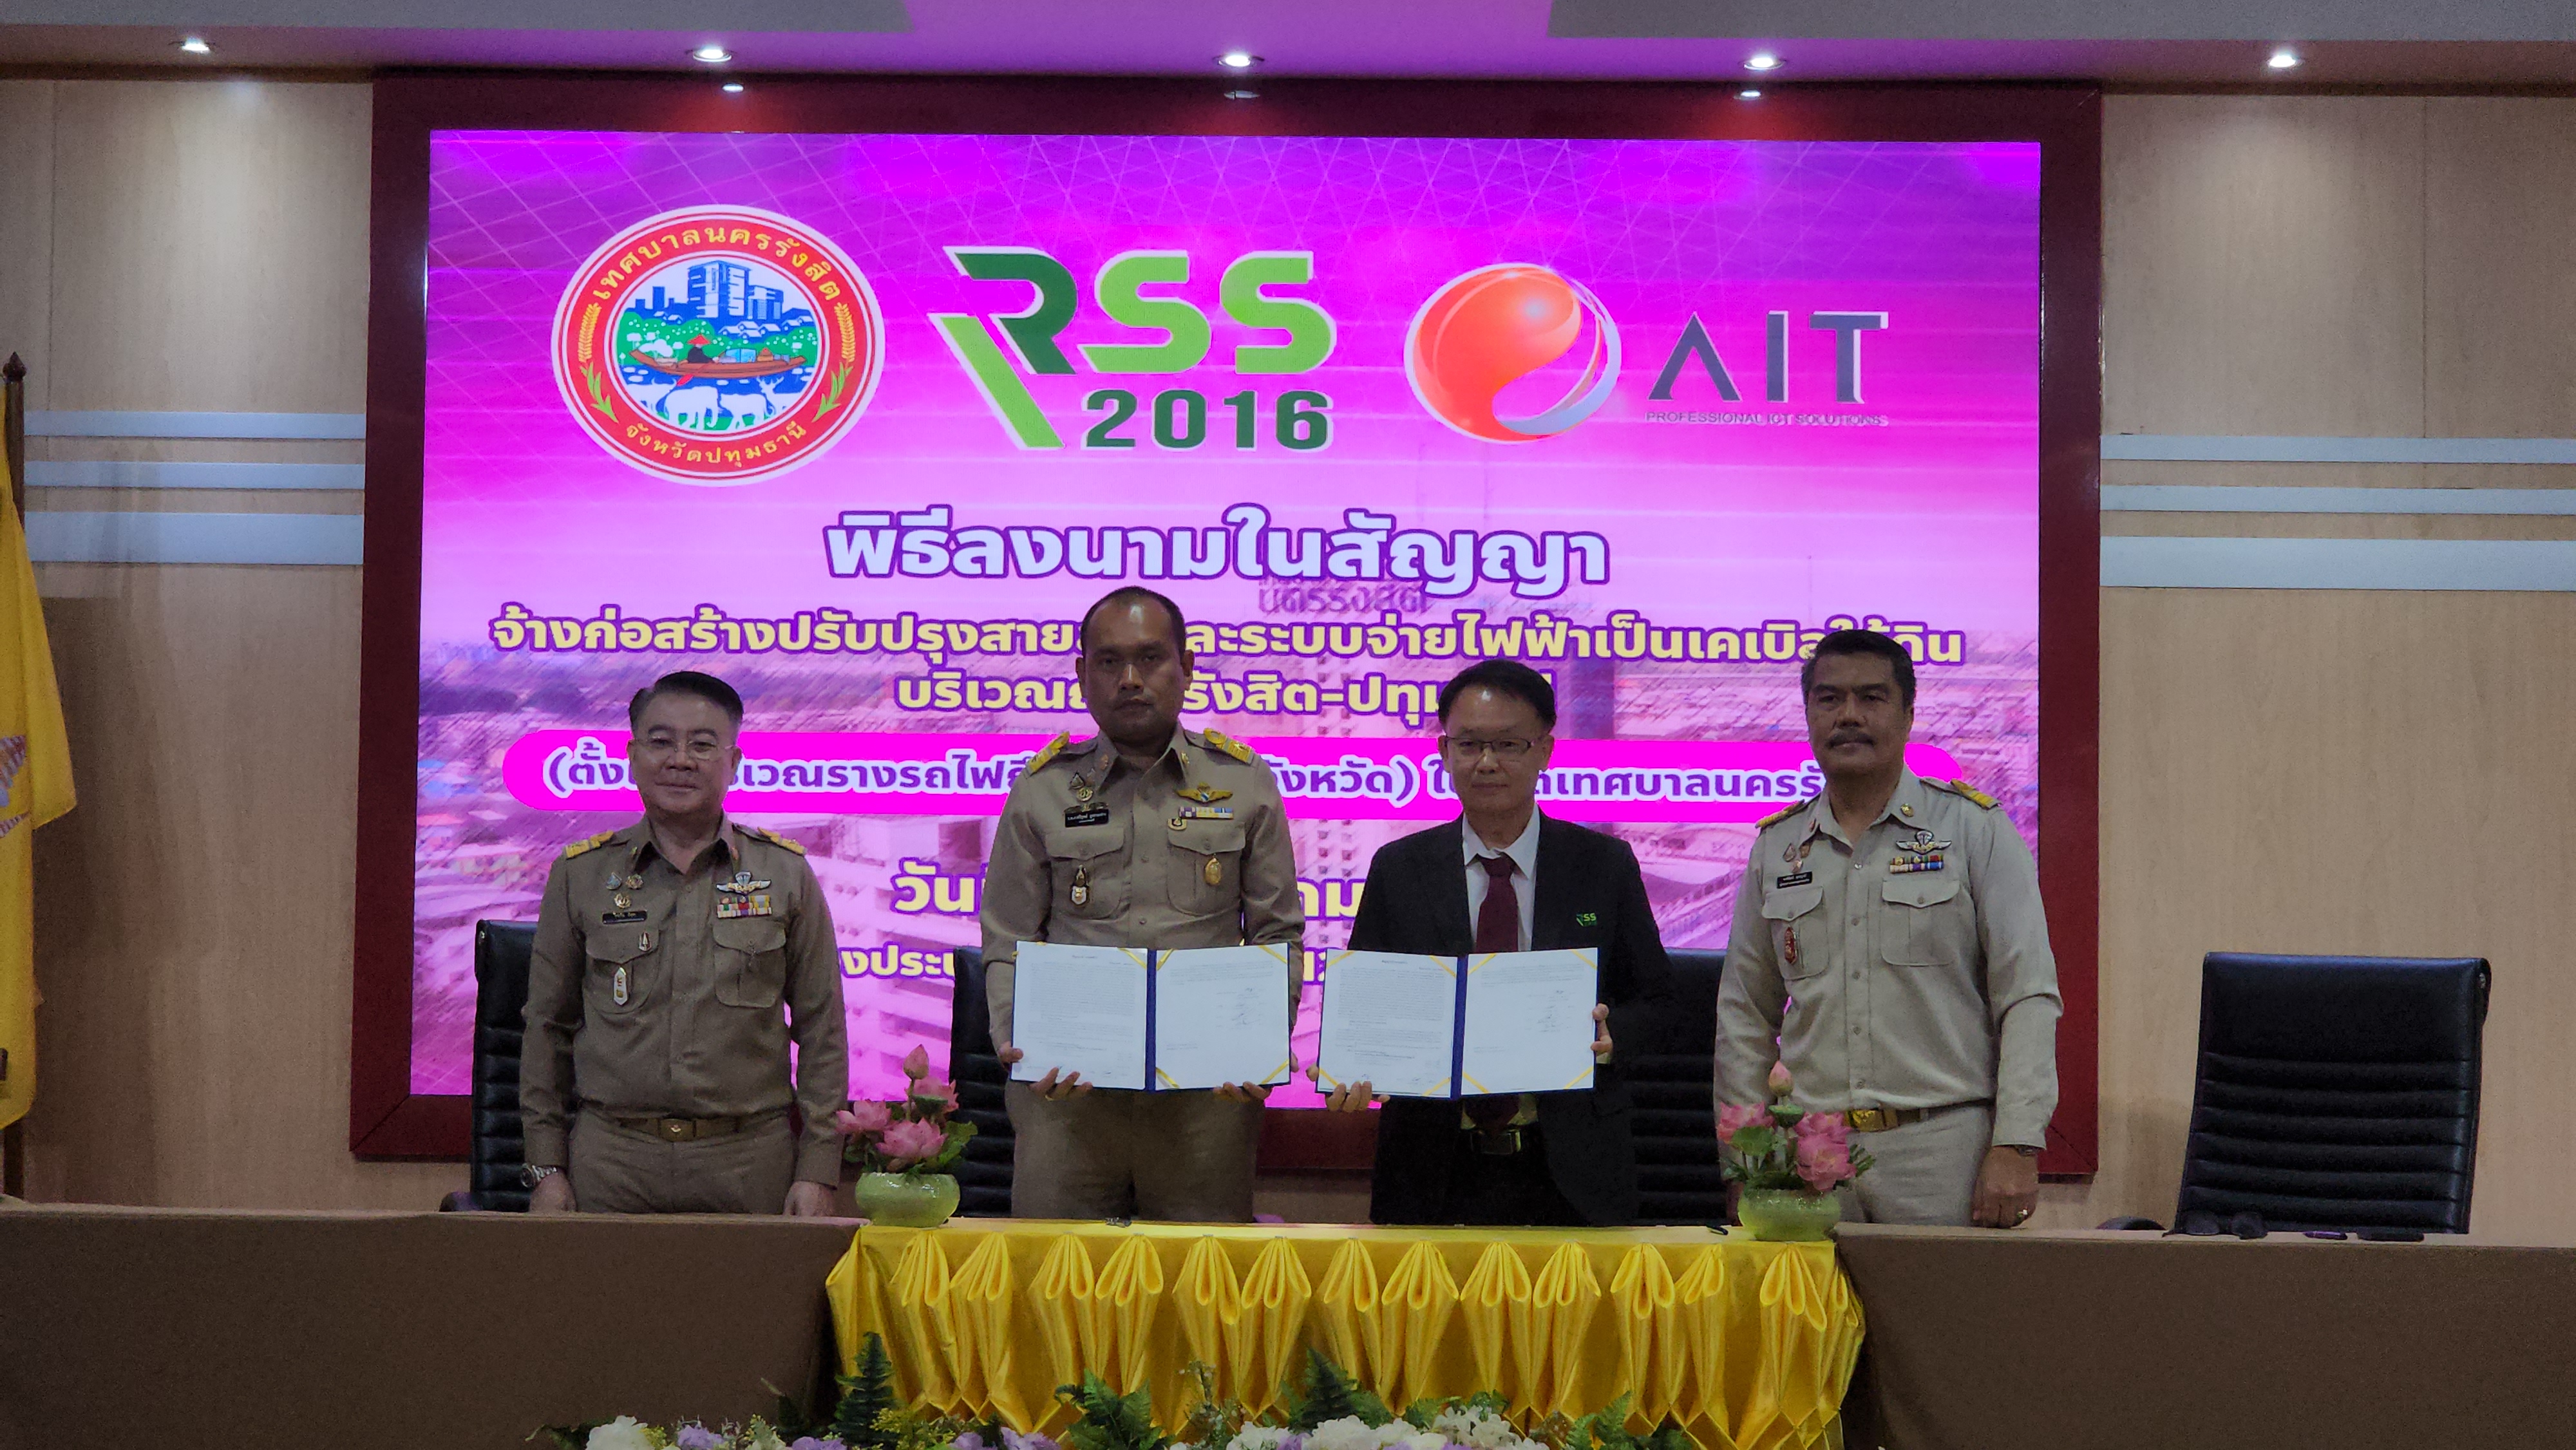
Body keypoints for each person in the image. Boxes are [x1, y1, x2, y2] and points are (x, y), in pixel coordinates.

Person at [1715, 628, 2061, 1228]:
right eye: (1829, 699)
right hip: (1809, 1151)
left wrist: (2018, 1141)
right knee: (1808, 1296)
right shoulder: (1778, 847)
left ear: (1907, 713)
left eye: (1871, 698)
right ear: (1809, 714)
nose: (1849, 716)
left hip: (1944, 1147)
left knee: (1940, 1298)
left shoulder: (1973, 830)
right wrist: (1744, 1158)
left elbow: (2026, 993)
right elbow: (1745, 1014)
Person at [978, 586, 1302, 1221]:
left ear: (1186, 667)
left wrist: (1258, 1045)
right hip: (1068, 1101)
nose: (1130, 678)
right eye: (1109, 661)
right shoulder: (1041, 788)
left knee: (1201, 1278)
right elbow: (1008, 939)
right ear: (1082, 674)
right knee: (1056, 1273)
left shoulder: (1243, 782)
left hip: (1205, 1102)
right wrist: (1022, 1043)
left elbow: (1277, 934)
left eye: (1150, 658)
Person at [1323, 659, 1676, 1227]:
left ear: (1545, 750)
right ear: (1444, 752)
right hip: (1430, 1170)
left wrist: (1613, 1036)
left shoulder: (1602, 865)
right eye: (1469, 745)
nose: (1487, 762)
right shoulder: (1400, 869)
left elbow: (1658, 1003)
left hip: (1573, 1168)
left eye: (1508, 744)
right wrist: (1353, 1069)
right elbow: (1366, 1009)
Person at [519, 671, 849, 1216]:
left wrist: (818, 1169)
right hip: (612, 1160)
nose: (680, 760)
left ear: (733, 762)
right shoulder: (580, 875)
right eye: (661, 742)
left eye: (701, 745)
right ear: (632, 757)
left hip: (749, 1159)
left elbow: (823, 1031)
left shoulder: (786, 874)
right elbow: (546, 1028)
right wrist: (545, 1168)